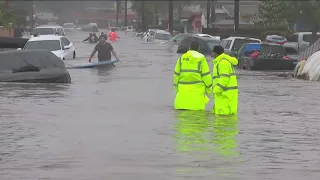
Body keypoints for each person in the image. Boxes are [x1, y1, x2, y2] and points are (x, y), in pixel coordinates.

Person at [173, 41, 212, 111]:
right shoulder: (202, 59)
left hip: (181, 101)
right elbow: (206, 76)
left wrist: (177, 89)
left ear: (189, 48)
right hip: (197, 102)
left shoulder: (182, 58)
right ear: (198, 49)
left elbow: (176, 75)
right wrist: (209, 90)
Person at [212, 45, 238, 115]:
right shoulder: (220, 61)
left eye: (213, 52)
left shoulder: (223, 62)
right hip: (223, 94)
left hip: (225, 95)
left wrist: (216, 90)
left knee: (223, 117)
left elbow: (224, 78)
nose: (212, 55)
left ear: (216, 53)